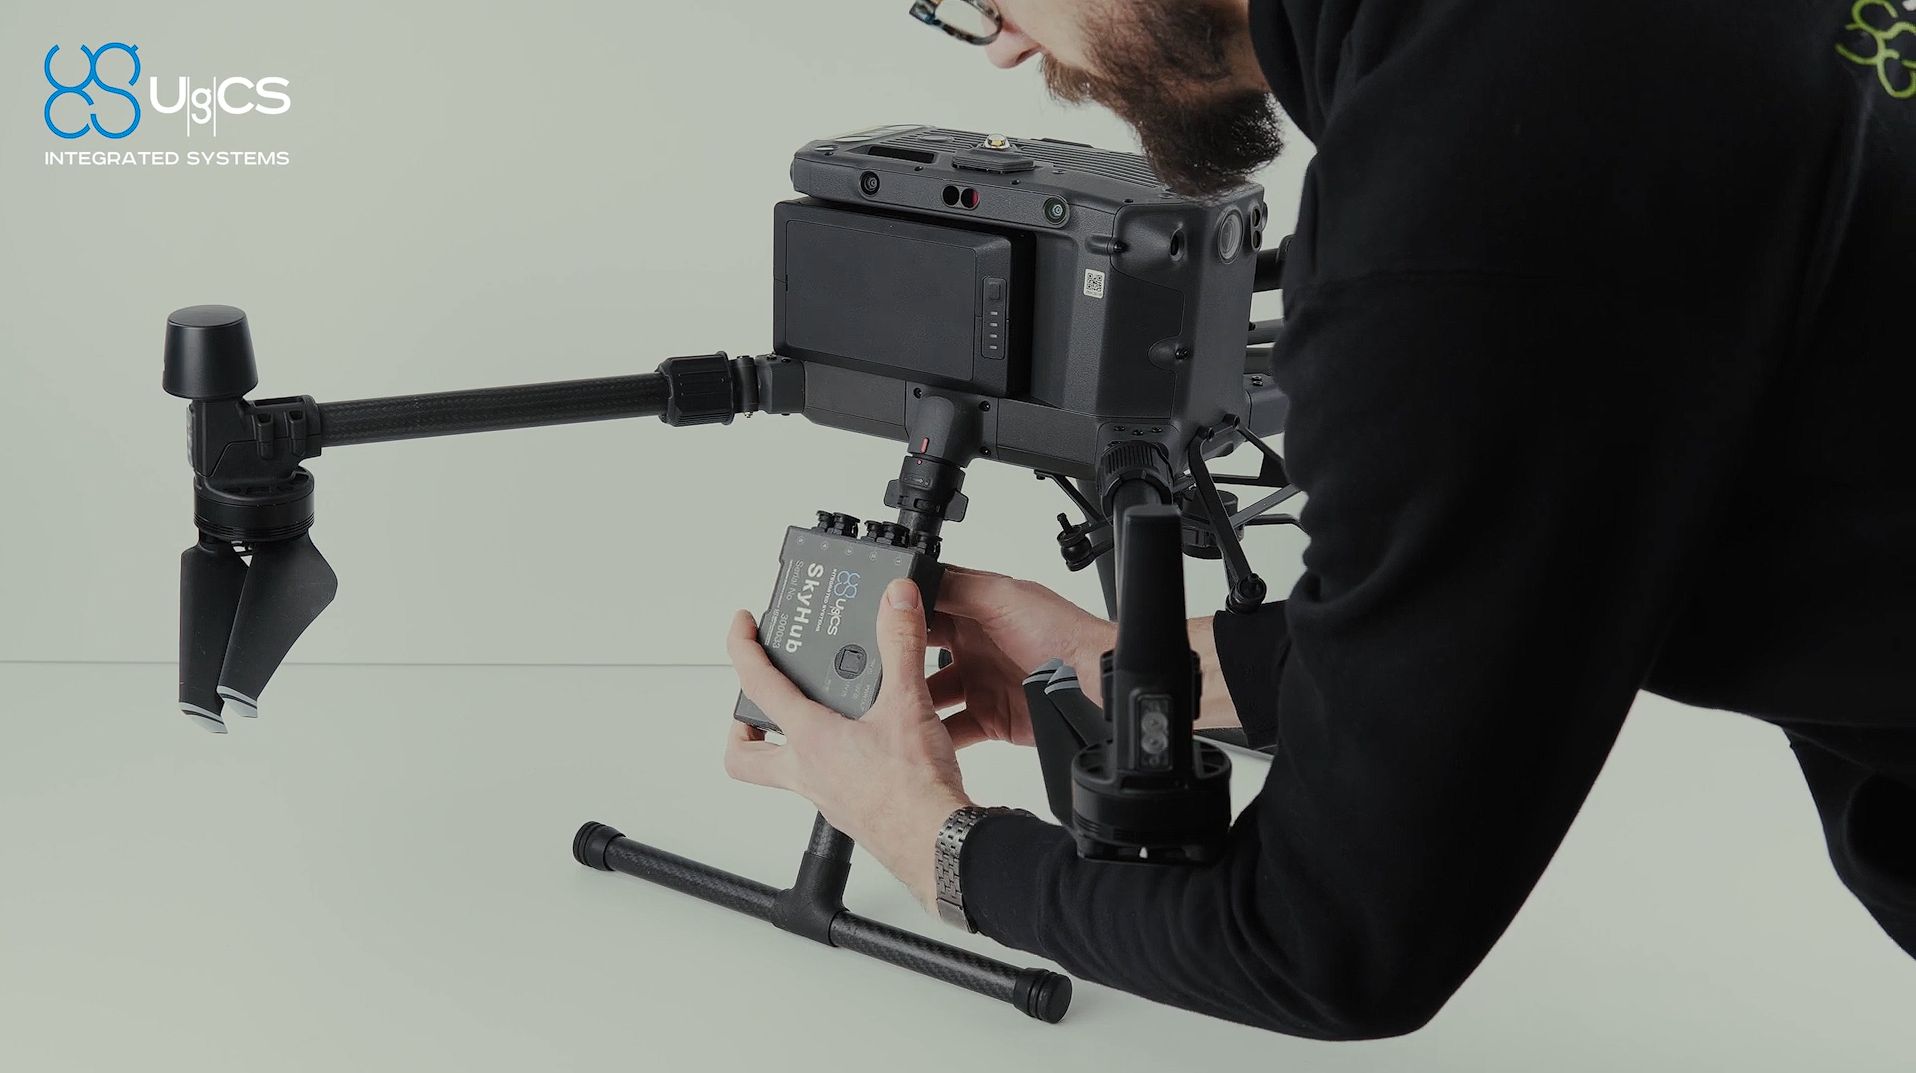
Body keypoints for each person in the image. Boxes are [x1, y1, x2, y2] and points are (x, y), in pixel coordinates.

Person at [722, 0, 1916, 1038]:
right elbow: (1511, 582)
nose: (1003, 45)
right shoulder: (1543, 73)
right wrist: (1124, 663)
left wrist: (933, 839)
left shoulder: (1460, 214)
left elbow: (1320, 943)